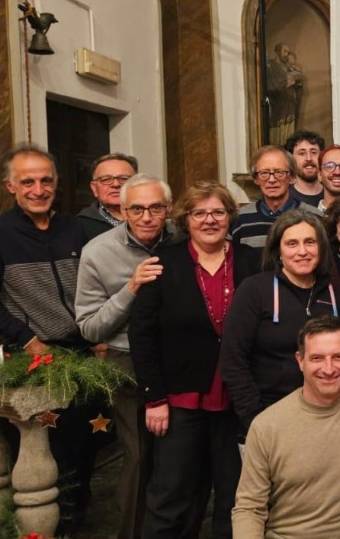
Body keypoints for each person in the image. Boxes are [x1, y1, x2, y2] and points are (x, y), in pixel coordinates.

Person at [0, 146, 92, 531]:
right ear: (11, 186)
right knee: (49, 456)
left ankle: (75, 524)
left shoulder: (75, 228)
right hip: (34, 360)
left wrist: (97, 334)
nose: (38, 189)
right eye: (28, 182)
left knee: (85, 451)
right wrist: (29, 341)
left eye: (46, 180)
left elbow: (93, 289)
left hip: (83, 356)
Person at [128, 181, 256, 538]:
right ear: (185, 218)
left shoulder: (252, 262)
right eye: (199, 213)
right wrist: (154, 398)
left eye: (218, 212)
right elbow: (142, 336)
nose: (209, 220)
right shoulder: (162, 264)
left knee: (235, 495)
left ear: (230, 216)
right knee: (171, 495)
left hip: (237, 401)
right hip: (179, 401)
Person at [232, 316, 340, 538]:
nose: (329, 368)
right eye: (317, 358)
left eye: (338, 357)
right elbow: (249, 508)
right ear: (300, 361)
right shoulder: (266, 425)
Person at [75, 173, 176, 539]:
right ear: (122, 210)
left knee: (180, 457)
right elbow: (90, 328)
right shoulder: (98, 252)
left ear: (168, 209)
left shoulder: (184, 239)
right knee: (139, 457)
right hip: (129, 361)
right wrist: (131, 288)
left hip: (180, 358)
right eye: (137, 209)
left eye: (155, 208)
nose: (146, 217)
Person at [221, 210, 340, 434]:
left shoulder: (333, 291)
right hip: (269, 417)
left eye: (310, 242)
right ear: (278, 251)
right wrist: (254, 418)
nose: (302, 251)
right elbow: (233, 359)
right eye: (292, 244)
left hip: (327, 416)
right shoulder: (254, 290)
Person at [232, 146, 320, 249]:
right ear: (256, 179)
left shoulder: (314, 216)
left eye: (279, 172)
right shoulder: (240, 219)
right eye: (264, 173)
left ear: (292, 177)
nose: (272, 180)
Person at [77, 152, 138, 242]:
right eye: (106, 179)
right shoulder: (78, 227)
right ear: (94, 188)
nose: (116, 184)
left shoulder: (152, 220)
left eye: (124, 179)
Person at [285, 130, 325, 208]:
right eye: (302, 153)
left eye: (314, 152)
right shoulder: (284, 199)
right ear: (291, 159)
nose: (309, 158)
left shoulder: (331, 195)